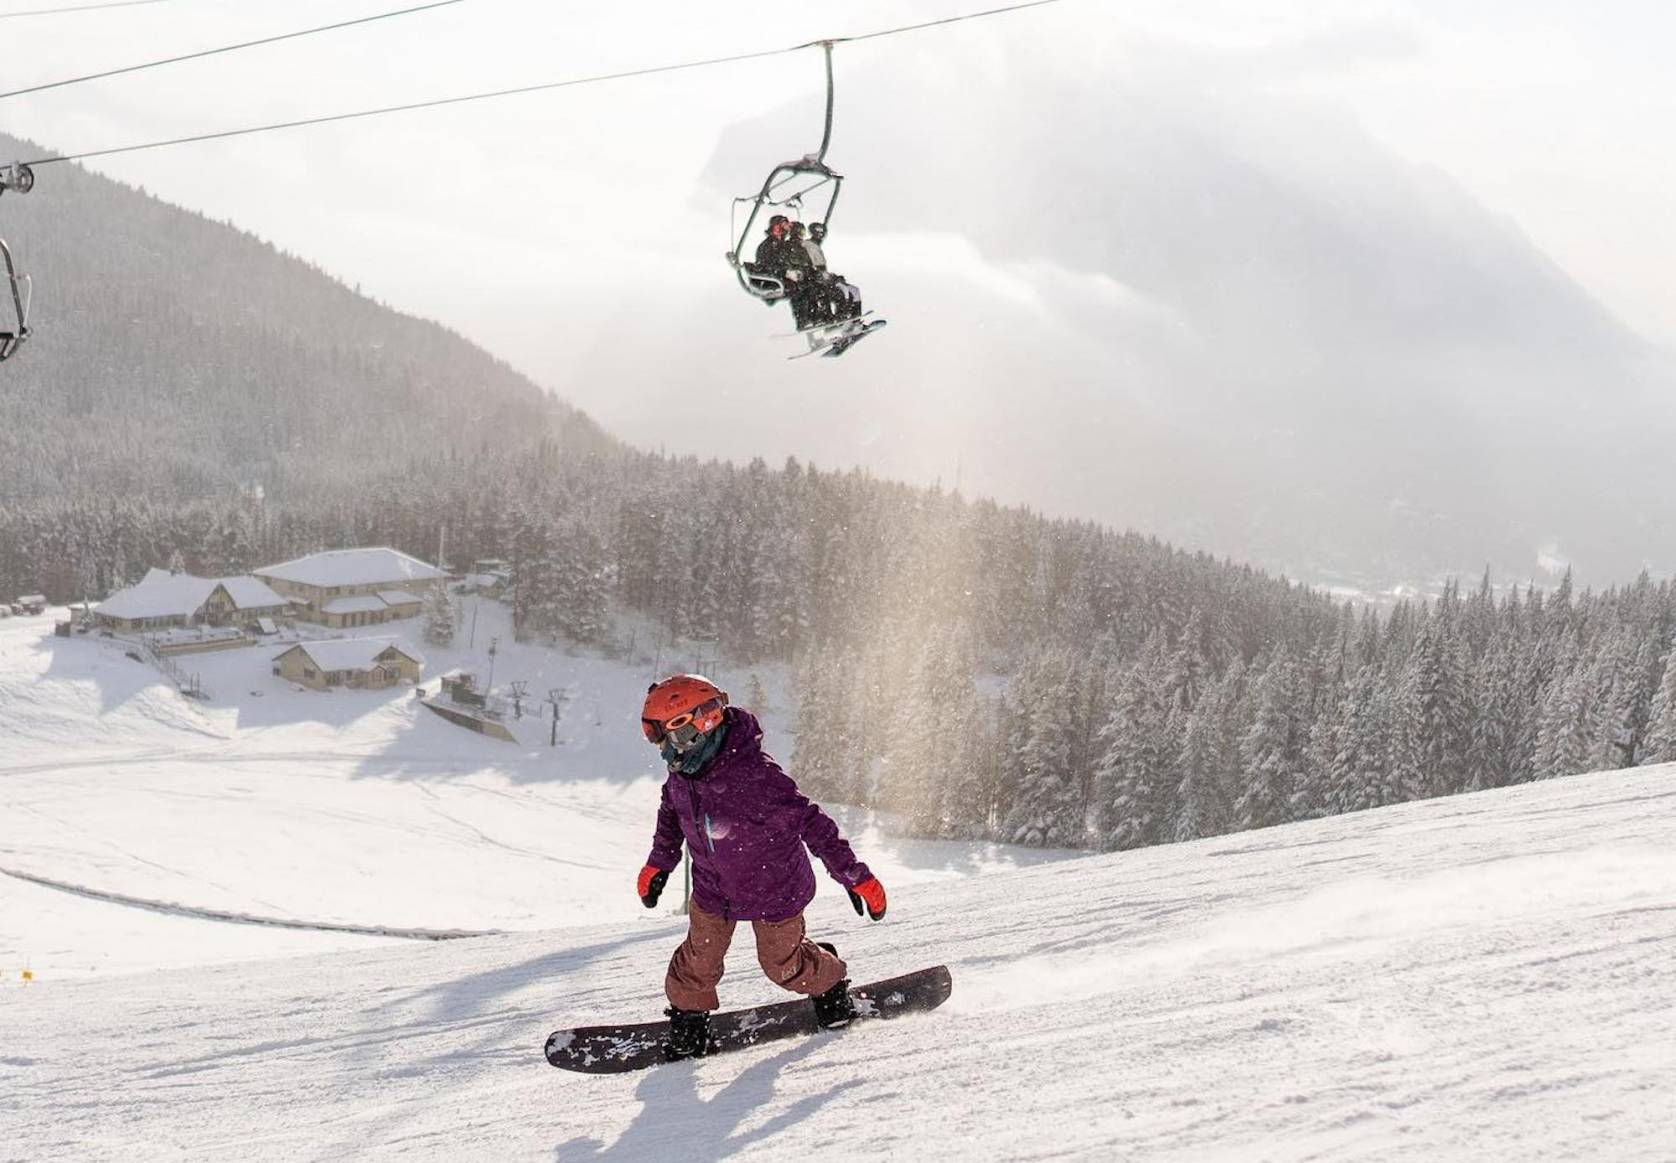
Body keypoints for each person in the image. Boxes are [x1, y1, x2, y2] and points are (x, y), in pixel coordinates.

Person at [636, 674, 888, 1060]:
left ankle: (830, 982)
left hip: (775, 890)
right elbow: (671, 817)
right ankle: (689, 1023)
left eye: (679, 738)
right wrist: (659, 864)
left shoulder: (758, 778)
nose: (670, 752)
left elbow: (814, 825)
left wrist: (856, 877)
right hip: (713, 890)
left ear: (707, 723)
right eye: (661, 740)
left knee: (783, 966)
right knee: (697, 960)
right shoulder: (682, 778)